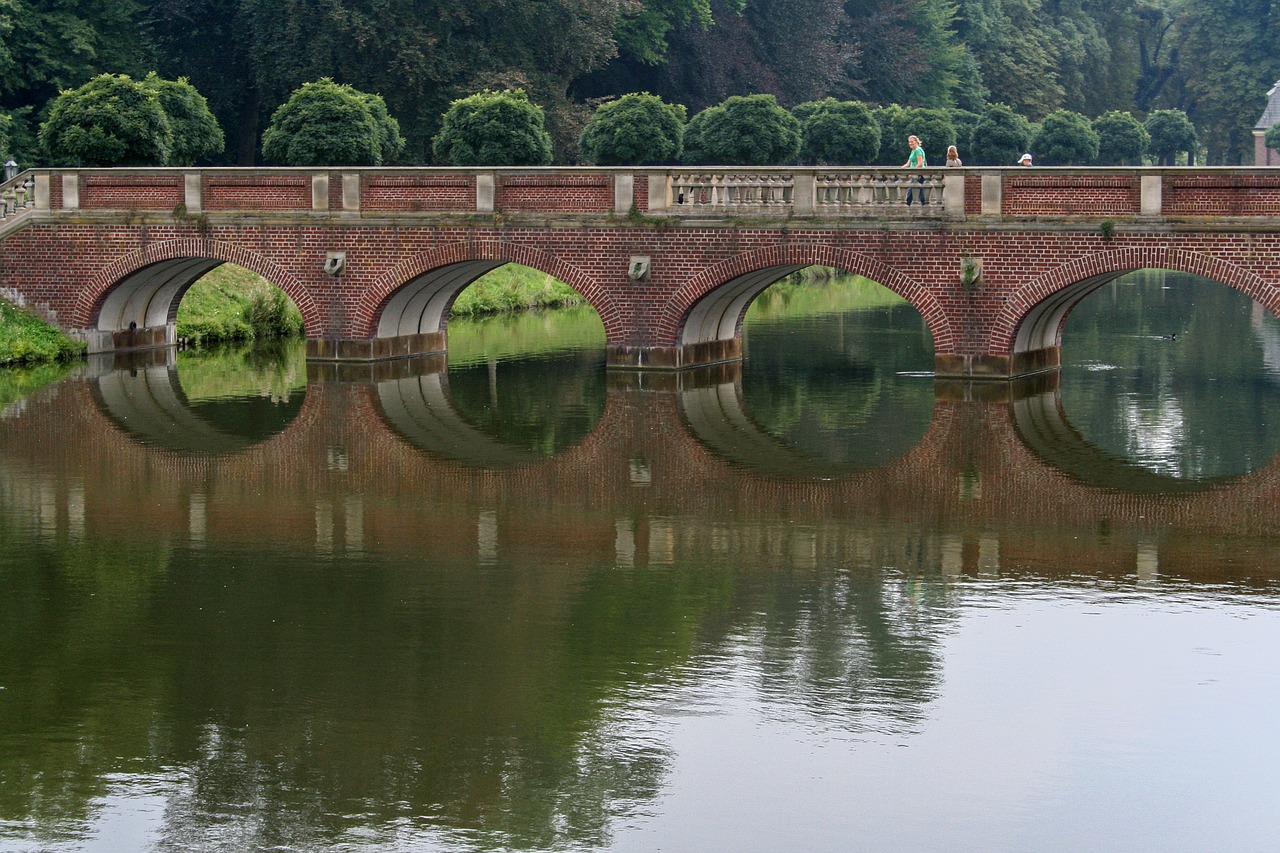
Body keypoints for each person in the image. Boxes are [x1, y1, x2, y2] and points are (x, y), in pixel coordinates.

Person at [902, 134, 927, 205]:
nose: (910, 143)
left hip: (918, 173)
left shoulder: (918, 150)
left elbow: (920, 163)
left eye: (912, 142)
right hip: (915, 173)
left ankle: (906, 206)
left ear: (916, 141)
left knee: (911, 191)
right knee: (920, 191)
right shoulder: (913, 151)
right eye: (909, 142)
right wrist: (900, 170)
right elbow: (908, 164)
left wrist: (911, 173)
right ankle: (924, 204)